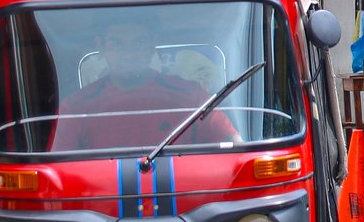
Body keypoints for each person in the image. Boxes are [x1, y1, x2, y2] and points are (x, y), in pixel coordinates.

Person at [51, 15, 240, 153]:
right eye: (117, 44)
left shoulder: (190, 96)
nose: (129, 53)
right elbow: (59, 166)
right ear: (101, 46)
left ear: (153, 45)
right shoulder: (77, 107)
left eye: (139, 43)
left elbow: (234, 143)